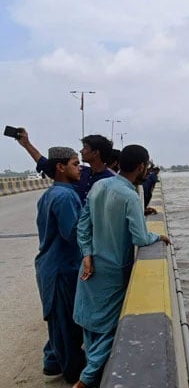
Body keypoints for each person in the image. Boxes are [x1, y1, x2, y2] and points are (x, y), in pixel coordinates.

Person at [72, 144, 171, 388]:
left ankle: (90, 376)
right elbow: (140, 237)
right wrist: (158, 237)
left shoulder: (99, 186)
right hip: (114, 272)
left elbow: (83, 225)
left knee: (92, 326)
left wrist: (86, 253)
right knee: (110, 328)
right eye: (146, 165)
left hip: (91, 266)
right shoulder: (129, 195)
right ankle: (83, 382)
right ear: (141, 167)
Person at [35, 147, 86, 384]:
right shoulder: (65, 196)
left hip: (50, 266)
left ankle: (53, 362)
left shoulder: (50, 194)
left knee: (58, 322)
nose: (80, 168)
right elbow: (73, 233)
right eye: (76, 164)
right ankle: (73, 374)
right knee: (67, 327)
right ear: (61, 167)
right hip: (61, 269)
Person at [16, 128, 114, 202]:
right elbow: (45, 164)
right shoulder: (80, 172)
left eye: (85, 148)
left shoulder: (111, 181)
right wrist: (26, 144)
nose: (81, 151)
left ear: (95, 153)